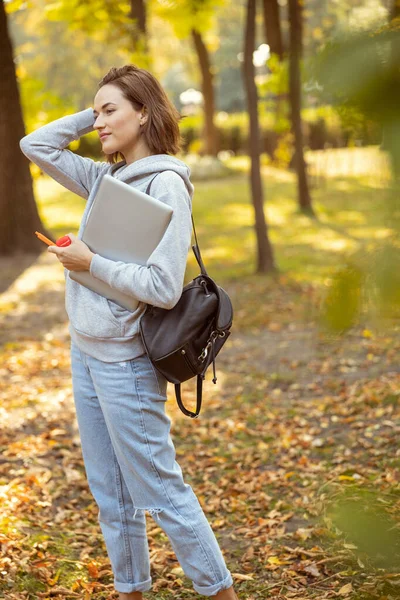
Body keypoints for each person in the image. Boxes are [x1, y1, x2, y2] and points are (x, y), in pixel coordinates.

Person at [19, 65, 239, 600]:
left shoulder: (166, 183)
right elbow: (35, 145)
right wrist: (95, 115)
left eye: (111, 109)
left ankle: (221, 592)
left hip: (126, 361)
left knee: (159, 491)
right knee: (110, 496)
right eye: (95, 112)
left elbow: (163, 287)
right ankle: (130, 590)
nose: (98, 123)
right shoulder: (105, 178)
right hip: (86, 353)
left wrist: (89, 263)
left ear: (144, 112)